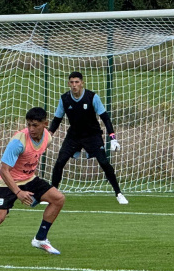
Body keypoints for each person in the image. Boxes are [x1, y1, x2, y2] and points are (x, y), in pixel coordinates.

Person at [0, 107, 65, 258]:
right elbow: (4, 170)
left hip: (29, 179)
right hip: (7, 181)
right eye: (28, 124)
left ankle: (40, 238)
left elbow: (32, 159)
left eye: (35, 125)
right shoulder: (18, 142)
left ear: (45, 124)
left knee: (58, 199)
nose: (31, 129)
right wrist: (18, 192)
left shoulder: (47, 138)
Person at [48, 72, 128, 204]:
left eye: (77, 82)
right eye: (72, 82)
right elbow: (57, 119)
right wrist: (49, 134)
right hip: (74, 136)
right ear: (69, 84)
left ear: (82, 83)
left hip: (92, 135)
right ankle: (52, 194)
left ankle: (118, 193)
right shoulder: (64, 99)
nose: (74, 85)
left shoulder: (92, 97)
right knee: (60, 162)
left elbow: (105, 118)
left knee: (104, 162)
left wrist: (112, 137)